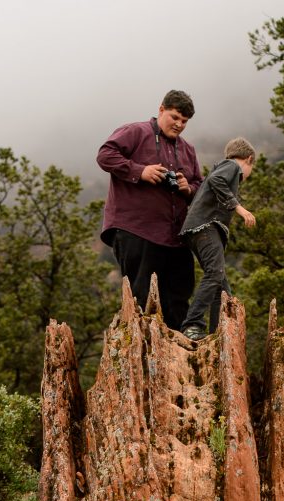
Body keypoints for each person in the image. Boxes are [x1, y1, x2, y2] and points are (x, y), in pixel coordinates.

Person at [97, 90, 203, 330]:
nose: (179, 124)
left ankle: (180, 357)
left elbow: (199, 184)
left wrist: (188, 188)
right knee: (141, 300)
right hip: (136, 229)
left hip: (176, 237)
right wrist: (140, 171)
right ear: (161, 109)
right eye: (175, 117)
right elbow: (105, 155)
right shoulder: (136, 131)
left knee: (178, 299)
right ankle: (142, 356)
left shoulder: (188, 149)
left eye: (184, 121)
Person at [180, 138, 257, 342]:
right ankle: (192, 324)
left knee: (222, 290)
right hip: (205, 226)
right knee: (215, 273)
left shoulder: (223, 167)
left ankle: (217, 335)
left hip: (196, 230)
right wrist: (239, 208)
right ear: (249, 159)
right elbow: (216, 181)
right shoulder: (231, 165)